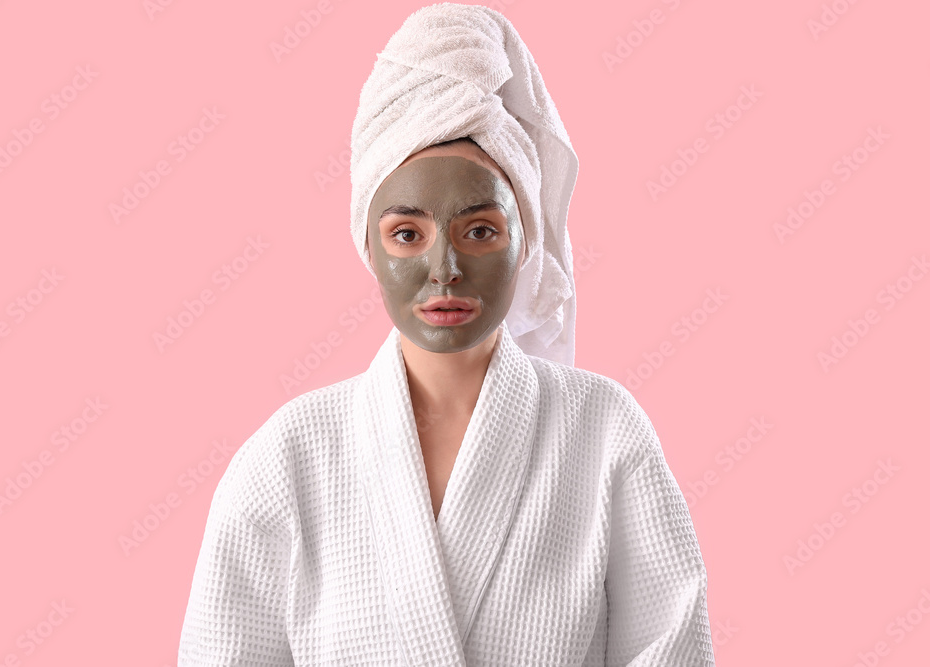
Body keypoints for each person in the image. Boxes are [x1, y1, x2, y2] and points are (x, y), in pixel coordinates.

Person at [178, 4, 715, 666]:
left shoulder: (606, 434)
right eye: (407, 233)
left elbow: (675, 648)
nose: (444, 267)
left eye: (480, 230)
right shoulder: (287, 459)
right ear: (368, 248)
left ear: (526, 245)